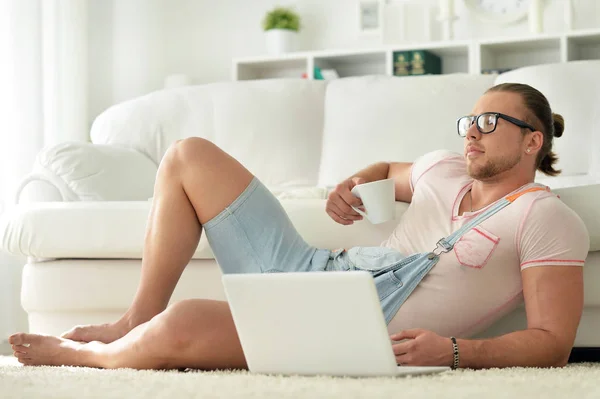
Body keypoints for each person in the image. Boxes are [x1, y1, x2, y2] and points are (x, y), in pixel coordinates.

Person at [9, 83, 589, 370]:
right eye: (470, 119)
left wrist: (455, 351)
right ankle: (129, 323)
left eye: (490, 122)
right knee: (188, 154)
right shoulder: (442, 168)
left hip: (352, 325)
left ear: (533, 140)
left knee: (185, 321)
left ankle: (96, 361)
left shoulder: (544, 218)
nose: (472, 131)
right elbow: (389, 170)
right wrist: (353, 180)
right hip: (316, 271)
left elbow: (553, 343)